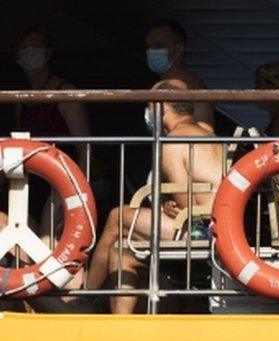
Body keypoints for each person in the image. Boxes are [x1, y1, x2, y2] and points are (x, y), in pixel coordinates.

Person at [84, 79, 223, 314]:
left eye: (149, 106)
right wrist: (169, 207)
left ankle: (84, 298)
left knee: (118, 217)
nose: (148, 113)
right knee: (121, 252)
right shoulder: (205, 134)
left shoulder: (176, 140)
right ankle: (120, 328)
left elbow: (184, 203)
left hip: (205, 226)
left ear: (162, 107)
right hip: (215, 219)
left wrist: (170, 208)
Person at [13, 26, 92, 222]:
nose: (30, 51)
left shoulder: (65, 94)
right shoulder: (20, 101)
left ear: (48, 53)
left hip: (62, 178)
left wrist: (77, 190)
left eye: (36, 46)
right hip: (29, 180)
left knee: (50, 233)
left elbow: (85, 150)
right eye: (25, 47)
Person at [145, 19, 214, 127]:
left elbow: (204, 133)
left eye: (158, 46)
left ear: (178, 50)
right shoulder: (159, 86)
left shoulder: (194, 89)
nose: (150, 52)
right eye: (148, 47)